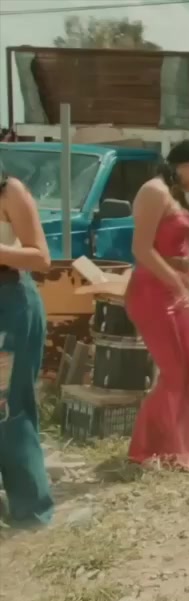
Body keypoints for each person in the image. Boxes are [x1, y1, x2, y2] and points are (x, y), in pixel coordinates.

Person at [125, 139, 189, 471]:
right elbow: (141, 249)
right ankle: (146, 450)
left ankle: (183, 448)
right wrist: (176, 282)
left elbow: (169, 252)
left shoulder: (171, 195)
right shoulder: (154, 191)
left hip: (174, 290)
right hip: (152, 292)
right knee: (175, 372)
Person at [0, 169, 55, 528]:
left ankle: (31, 513)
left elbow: (41, 257)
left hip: (10, 304)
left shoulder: (9, 191)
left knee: (8, 407)